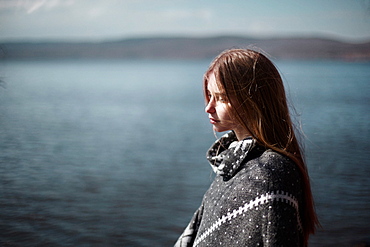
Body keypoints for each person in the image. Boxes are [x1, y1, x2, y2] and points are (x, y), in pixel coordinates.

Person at [175, 48, 319, 247]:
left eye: (222, 98)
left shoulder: (271, 172)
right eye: (209, 95)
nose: (208, 107)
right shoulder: (231, 165)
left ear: (254, 101)